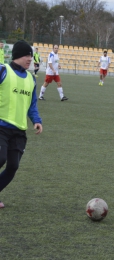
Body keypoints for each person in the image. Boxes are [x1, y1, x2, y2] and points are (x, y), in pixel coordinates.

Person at [0, 40, 43, 208]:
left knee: (13, 166)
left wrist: (37, 120)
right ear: (18, 55)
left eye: (31, 56)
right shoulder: (3, 70)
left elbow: (32, 105)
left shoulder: (31, 79)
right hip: (1, 127)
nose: (30, 59)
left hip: (19, 131)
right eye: (27, 55)